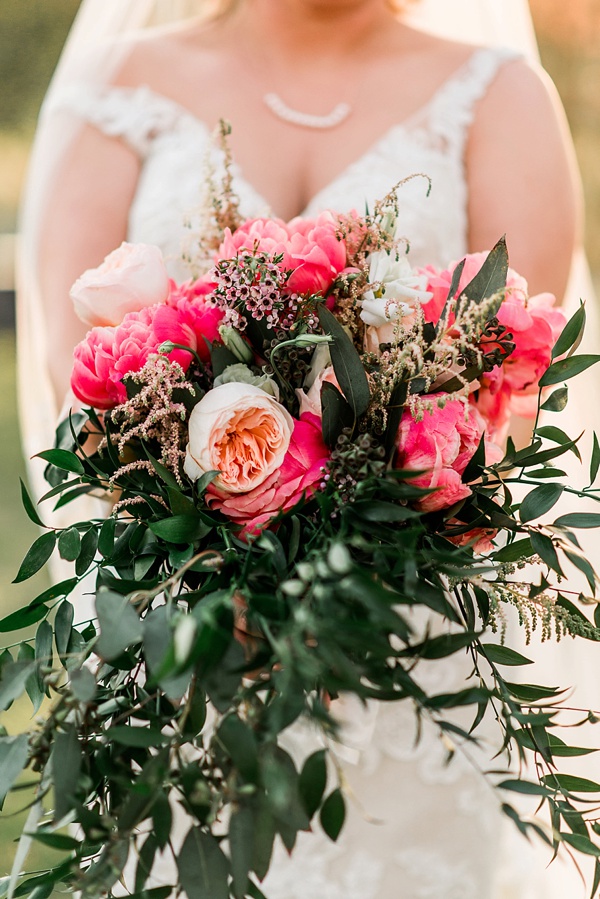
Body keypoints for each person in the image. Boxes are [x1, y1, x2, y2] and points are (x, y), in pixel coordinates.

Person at [17, 1, 594, 896]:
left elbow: (510, 383)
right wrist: (216, 561)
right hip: (182, 631)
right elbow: (78, 372)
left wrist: (348, 552)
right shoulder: (117, 87)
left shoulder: (501, 92)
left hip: (412, 635)